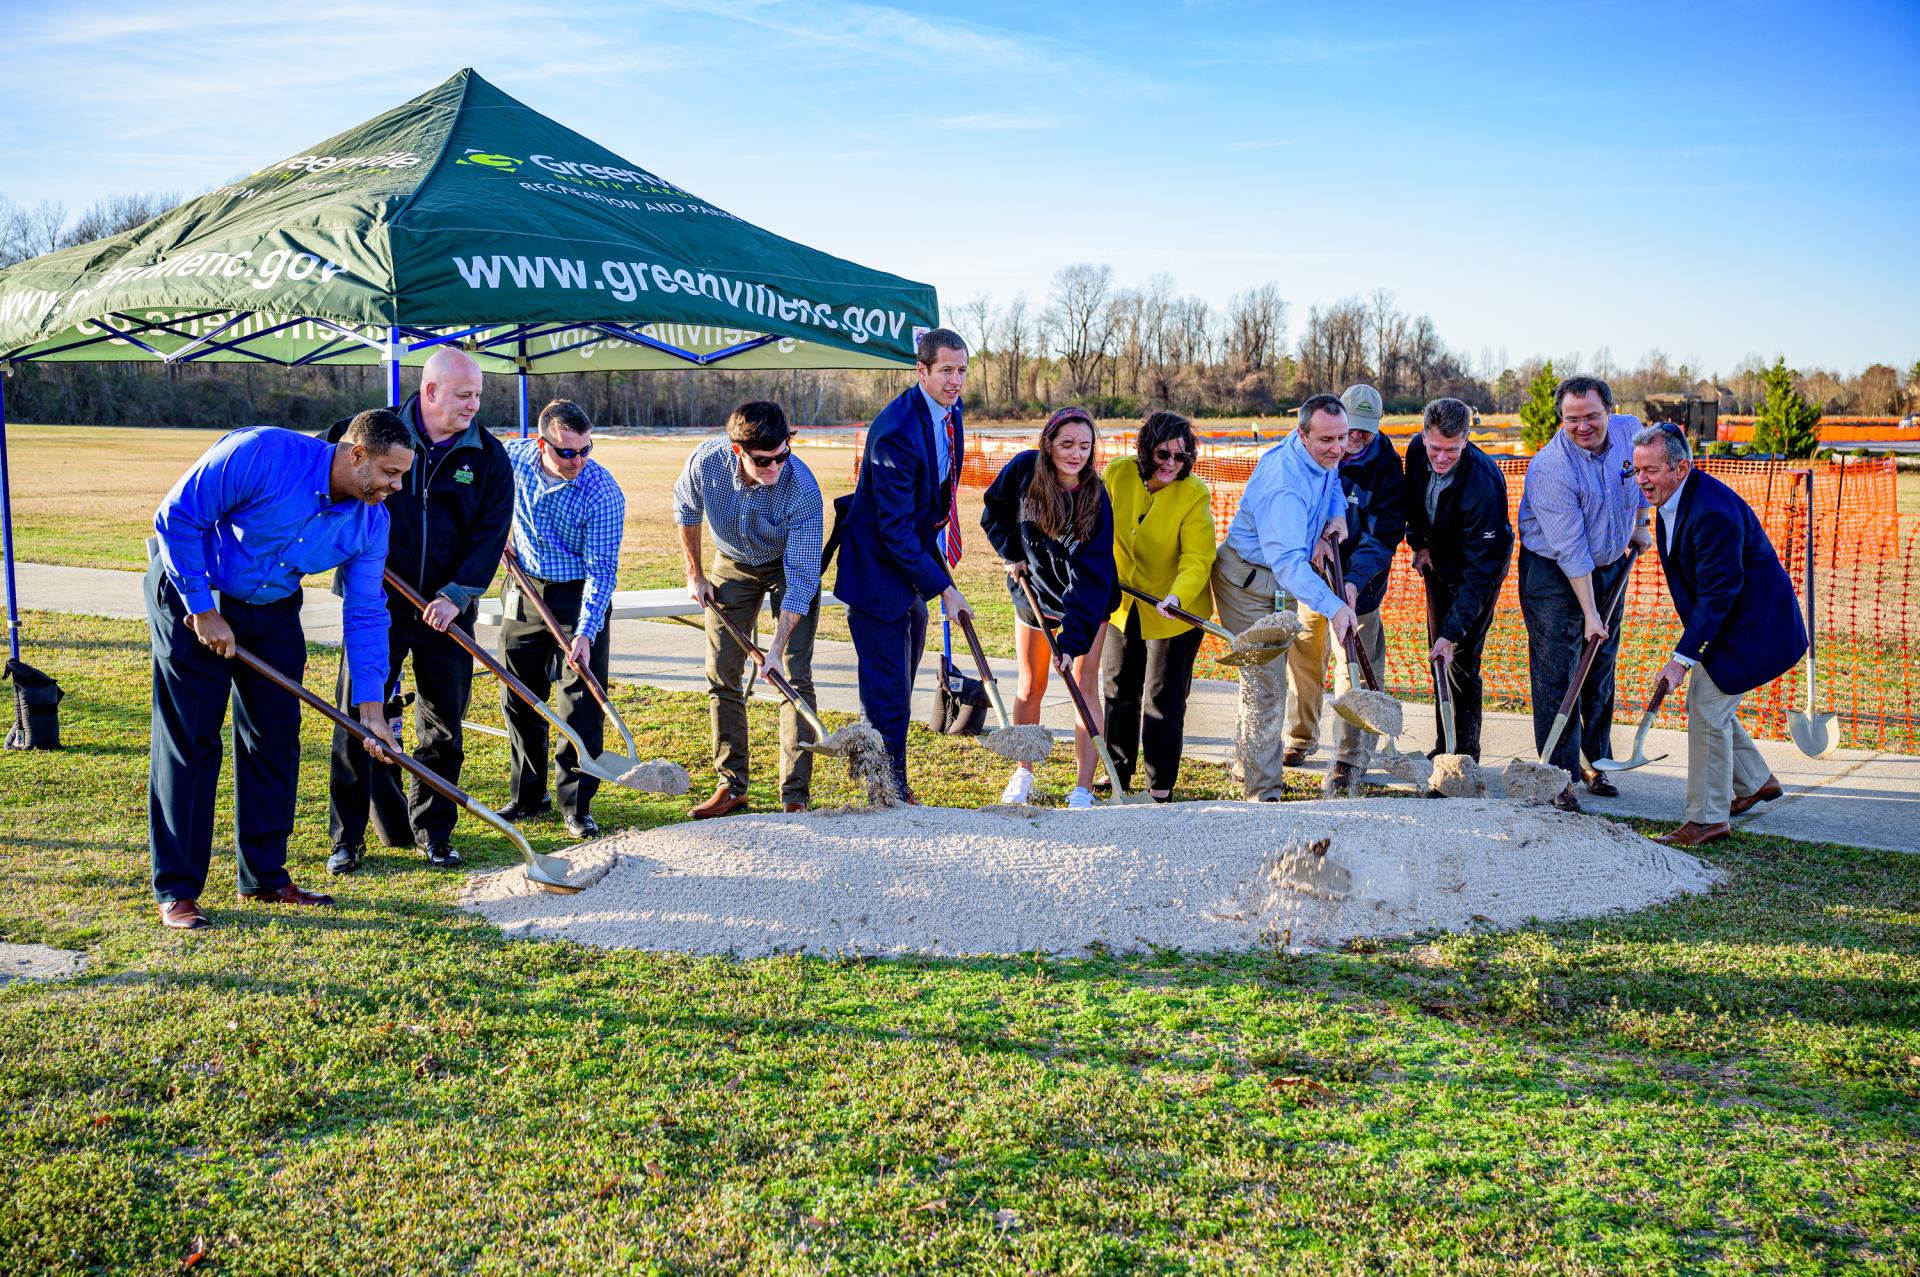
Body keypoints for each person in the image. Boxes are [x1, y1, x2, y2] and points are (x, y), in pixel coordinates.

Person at [146, 413, 411, 930]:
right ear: (355, 453)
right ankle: (177, 888)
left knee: (274, 738)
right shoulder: (262, 453)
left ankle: (265, 876)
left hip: (271, 608)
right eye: (389, 472)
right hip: (194, 591)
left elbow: (365, 613)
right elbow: (176, 517)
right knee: (192, 741)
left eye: (402, 476)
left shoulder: (371, 521)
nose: (396, 487)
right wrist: (203, 610)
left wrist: (372, 709)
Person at [325, 348, 513, 875]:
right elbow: (329, 484)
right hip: (375, 604)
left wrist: (457, 594)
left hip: (447, 611)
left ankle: (434, 831)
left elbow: (490, 533)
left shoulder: (488, 456)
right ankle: (347, 837)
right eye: (463, 395)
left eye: (477, 394)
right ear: (430, 392)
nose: (474, 405)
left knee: (443, 722)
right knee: (357, 714)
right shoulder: (373, 433)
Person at [1633, 424, 1804, 847]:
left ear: (1681, 467)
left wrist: (1681, 659)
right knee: (1709, 705)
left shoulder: (1711, 513)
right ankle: (1755, 782)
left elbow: (1718, 594)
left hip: (1756, 629)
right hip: (1729, 623)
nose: (1641, 481)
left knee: (1708, 708)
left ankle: (1707, 819)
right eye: (1636, 471)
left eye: (1650, 471)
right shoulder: (1674, 497)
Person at [832, 328, 974, 802]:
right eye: (946, 371)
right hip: (877, 573)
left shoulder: (948, 415)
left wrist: (939, 579)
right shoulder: (896, 431)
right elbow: (893, 529)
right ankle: (885, 791)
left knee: (898, 686)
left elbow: (929, 506)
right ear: (922, 370)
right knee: (888, 694)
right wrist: (944, 590)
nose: (955, 381)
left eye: (962, 371)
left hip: (909, 567)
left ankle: (884, 776)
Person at [675, 400, 825, 817]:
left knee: (793, 675)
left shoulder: (802, 488)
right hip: (732, 562)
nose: (775, 466)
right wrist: (695, 573)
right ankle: (731, 786)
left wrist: (775, 647)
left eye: (782, 455)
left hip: (785, 566)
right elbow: (686, 509)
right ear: (737, 450)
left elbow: (801, 580)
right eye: (763, 461)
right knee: (722, 672)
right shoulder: (706, 463)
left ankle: (795, 795)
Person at [1515, 376, 1652, 810]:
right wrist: (1591, 614)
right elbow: (1571, 551)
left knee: (1601, 665)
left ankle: (1596, 759)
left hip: (1610, 562)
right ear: (1561, 418)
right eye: (1572, 419)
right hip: (1554, 573)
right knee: (1560, 670)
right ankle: (1559, 776)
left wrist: (1641, 522)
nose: (1583, 426)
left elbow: (1644, 473)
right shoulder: (1551, 468)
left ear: (1609, 410)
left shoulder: (1632, 432)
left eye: (1592, 415)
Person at [1213, 393, 1357, 800]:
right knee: (1266, 687)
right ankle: (1264, 792)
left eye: (1343, 437)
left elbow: (1331, 479)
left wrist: (1335, 515)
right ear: (1302, 434)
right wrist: (1334, 607)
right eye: (1327, 440)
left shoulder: (1320, 456)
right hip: (1248, 581)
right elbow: (1291, 565)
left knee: (1266, 683)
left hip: (1278, 583)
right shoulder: (1284, 487)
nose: (1338, 448)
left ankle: (1247, 763)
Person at [495, 399, 625, 839]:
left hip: (577, 597)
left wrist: (586, 632)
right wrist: (496, 536)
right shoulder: (512, 457)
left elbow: (602, 570)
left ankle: (575, 805)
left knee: (580, 703)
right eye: (567, 452)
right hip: (524, 588)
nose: (579, 460)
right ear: (540, 443)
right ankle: (527, 795)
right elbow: (482, 493)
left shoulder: (602, 492)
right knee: (518, 695)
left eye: (587, 449)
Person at [981, 407, 1121, 809]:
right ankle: (1023, 773)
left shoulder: (1094, 497)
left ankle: (1083, 788)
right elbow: (995, 509)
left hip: (1085, 602)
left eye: (1083, 446)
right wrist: (1011, 551)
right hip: (1034, 594)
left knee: (1083, 686)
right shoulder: (1026, 470)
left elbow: (1092, 577)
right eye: (1066, 444)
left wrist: (1073, 641)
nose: (1075, 454)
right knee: (1031, 685)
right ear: (1048, 443)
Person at [1282, 383, 1406, 796]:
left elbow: (1382, 534)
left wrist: (1353, 581)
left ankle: (1350, 757)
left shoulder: (1387, 468)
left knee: (1353, 665)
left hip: (1360, 588)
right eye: (1349, 430)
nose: (1354, 441)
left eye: (1364, 434)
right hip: (1313, 578)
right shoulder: (1313, 450)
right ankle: (1300, 737)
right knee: (1303, 656)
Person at [1100, 410, 1216, 802]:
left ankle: (1159, 780)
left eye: (1180, 457)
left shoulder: (1194, 493)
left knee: (1161, 698)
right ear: (1145, 451)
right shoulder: (1117, 474)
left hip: (1173, 610)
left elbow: (1198, 558)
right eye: (1162, 454)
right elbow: (1094, 523)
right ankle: (1116, 768)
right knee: (1118, 687)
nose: (1170, 463)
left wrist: (1177, 596)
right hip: (1123, 603)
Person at [1402, 397, 1514, 760]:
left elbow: (1481, 572)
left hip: (1478, 566)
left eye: (1452, 450)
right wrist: (1419, 543)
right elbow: (1415, 502)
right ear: (1424, 435)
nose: (1441, 458)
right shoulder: (1418, 450)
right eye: (1436, 447)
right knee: (1438, 653)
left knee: (1461, 656)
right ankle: (1442, 747)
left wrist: (1453, 632)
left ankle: (1464, 753)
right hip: (1438, 557)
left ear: (1467, 439)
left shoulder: (1484, 483)